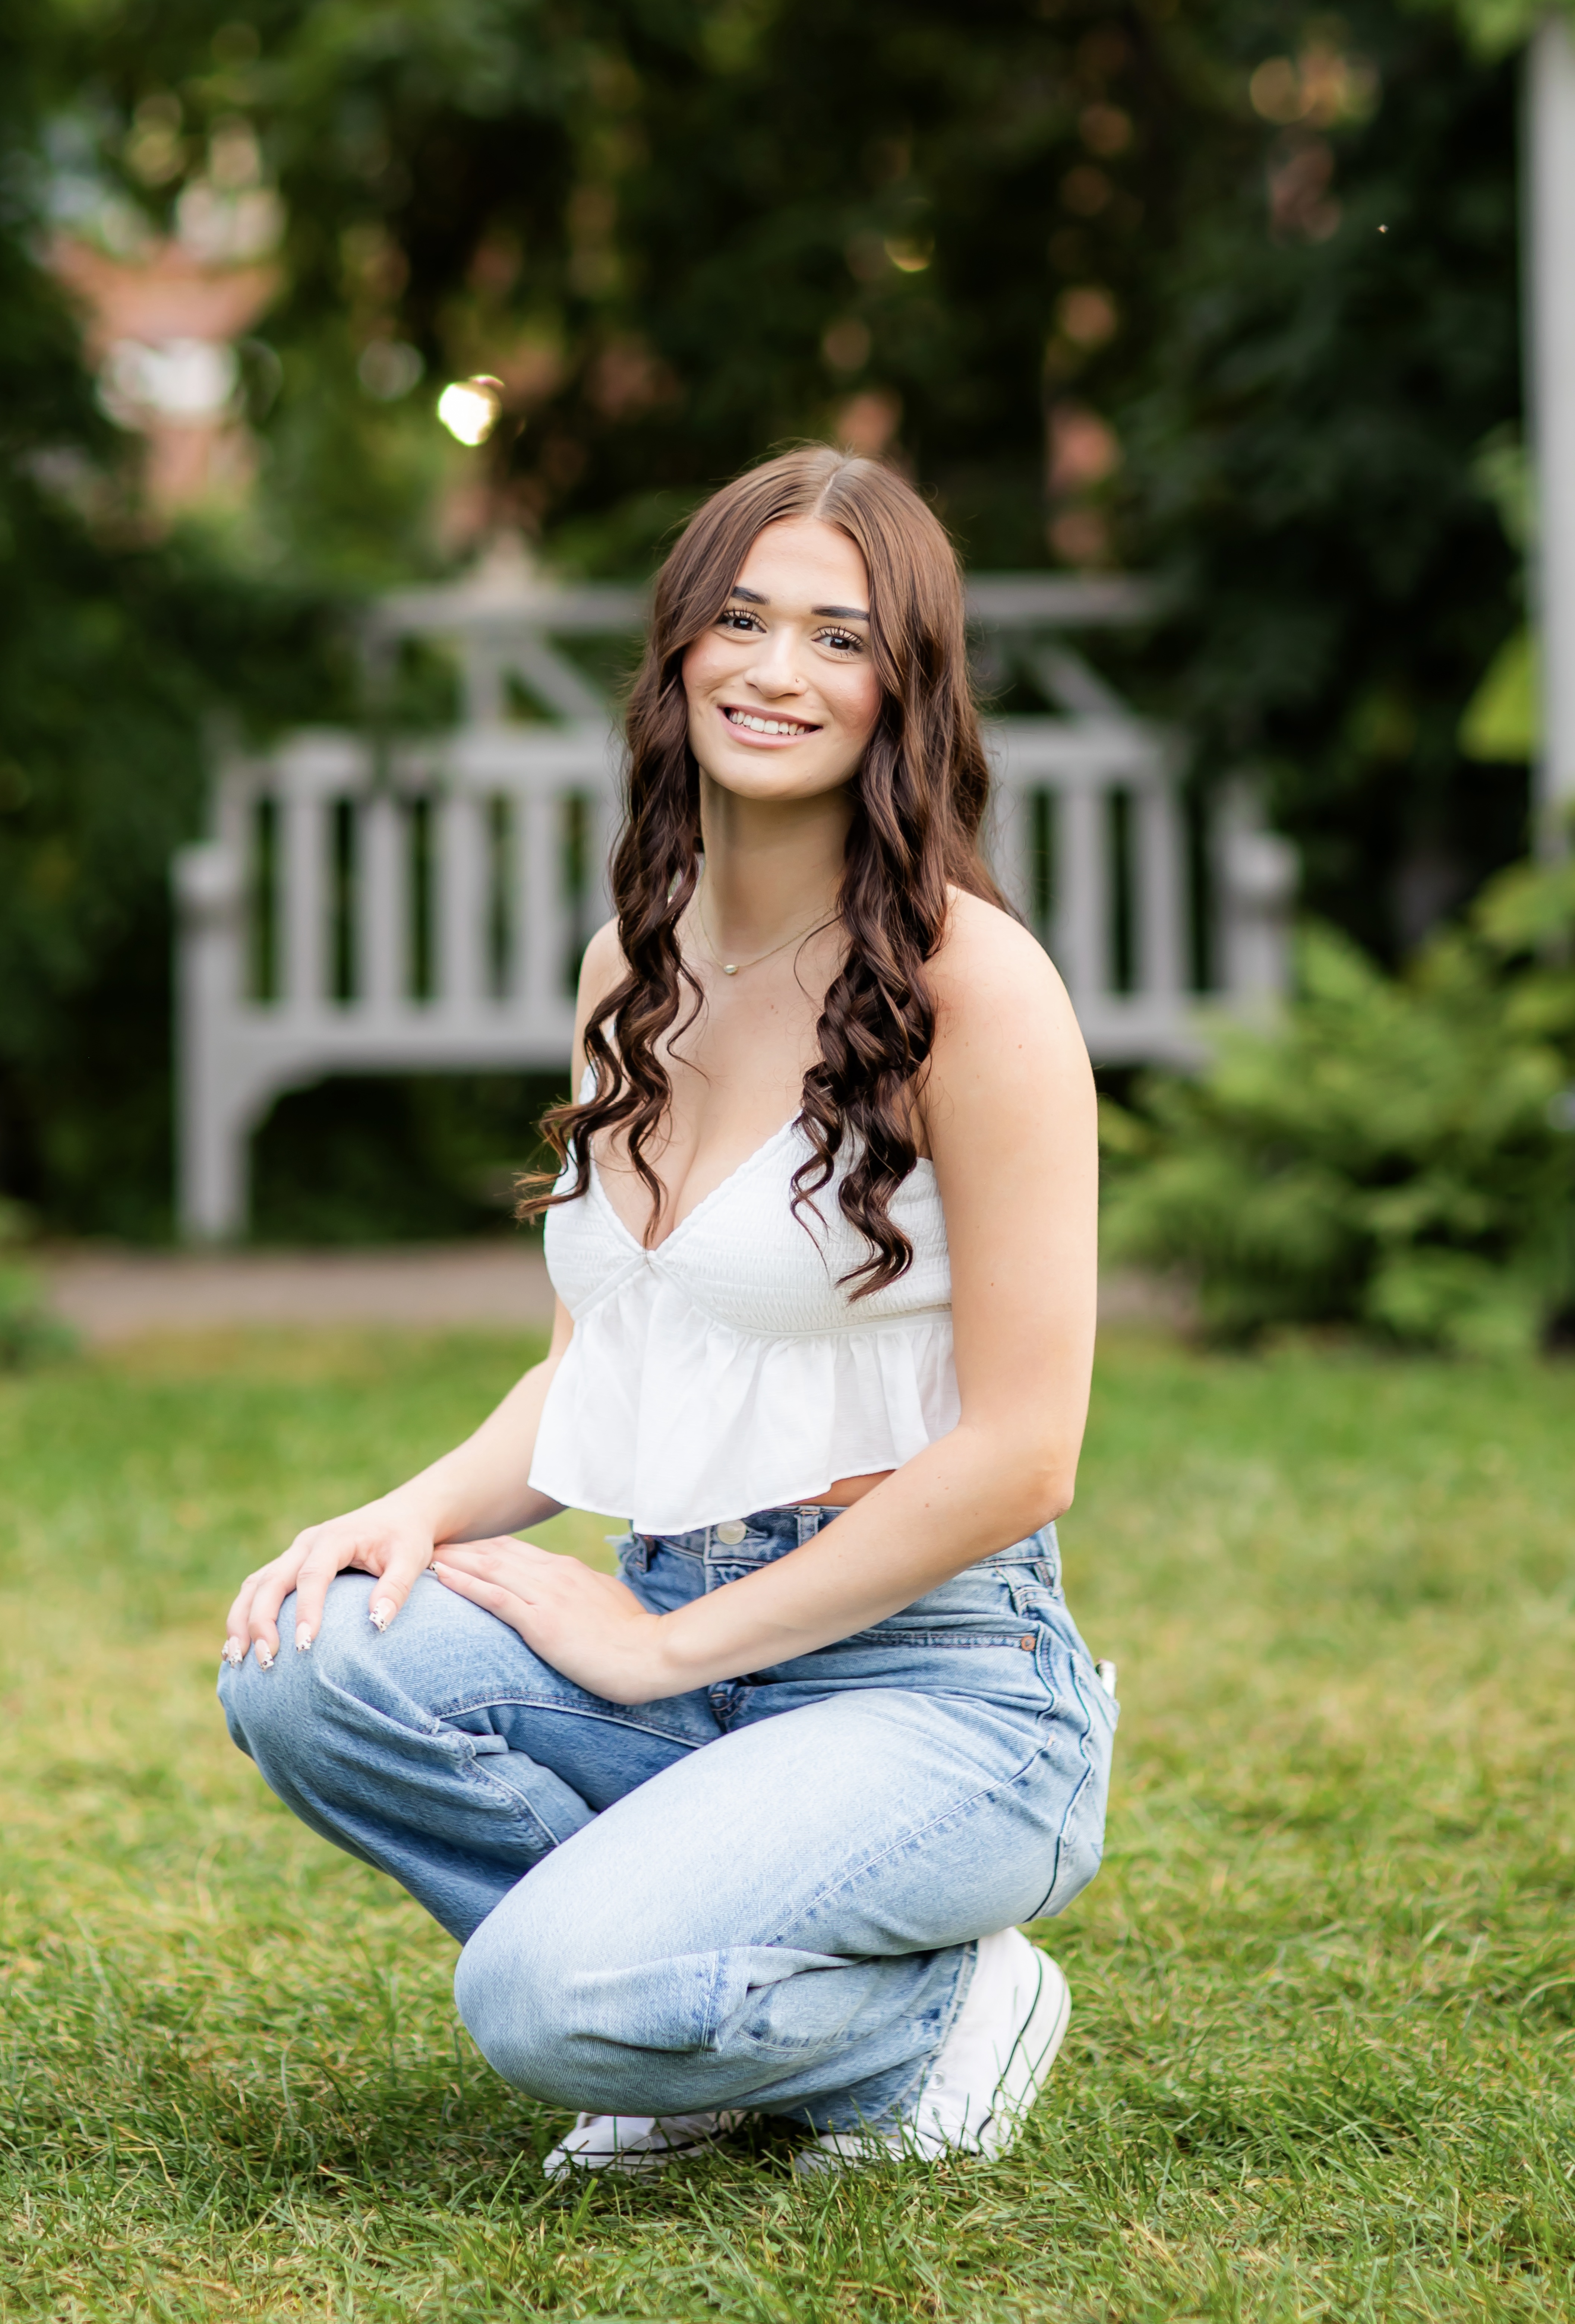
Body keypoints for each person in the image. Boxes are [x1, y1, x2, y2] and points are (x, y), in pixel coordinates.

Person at [218, 445, 1116, 2179]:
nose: (776, 671)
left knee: (539, 2003)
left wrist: (667, 1646)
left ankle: (937, 2012)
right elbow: (594, 1363)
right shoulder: (633, 963)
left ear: (902, 692)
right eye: (742, 617)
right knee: (311, 1661)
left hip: (931, 1682)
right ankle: (709, 2008)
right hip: (680, 1624)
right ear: (680, 648)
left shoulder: (970, 983)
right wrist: (398, 1517)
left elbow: (1026, 1451)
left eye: (838, 639)